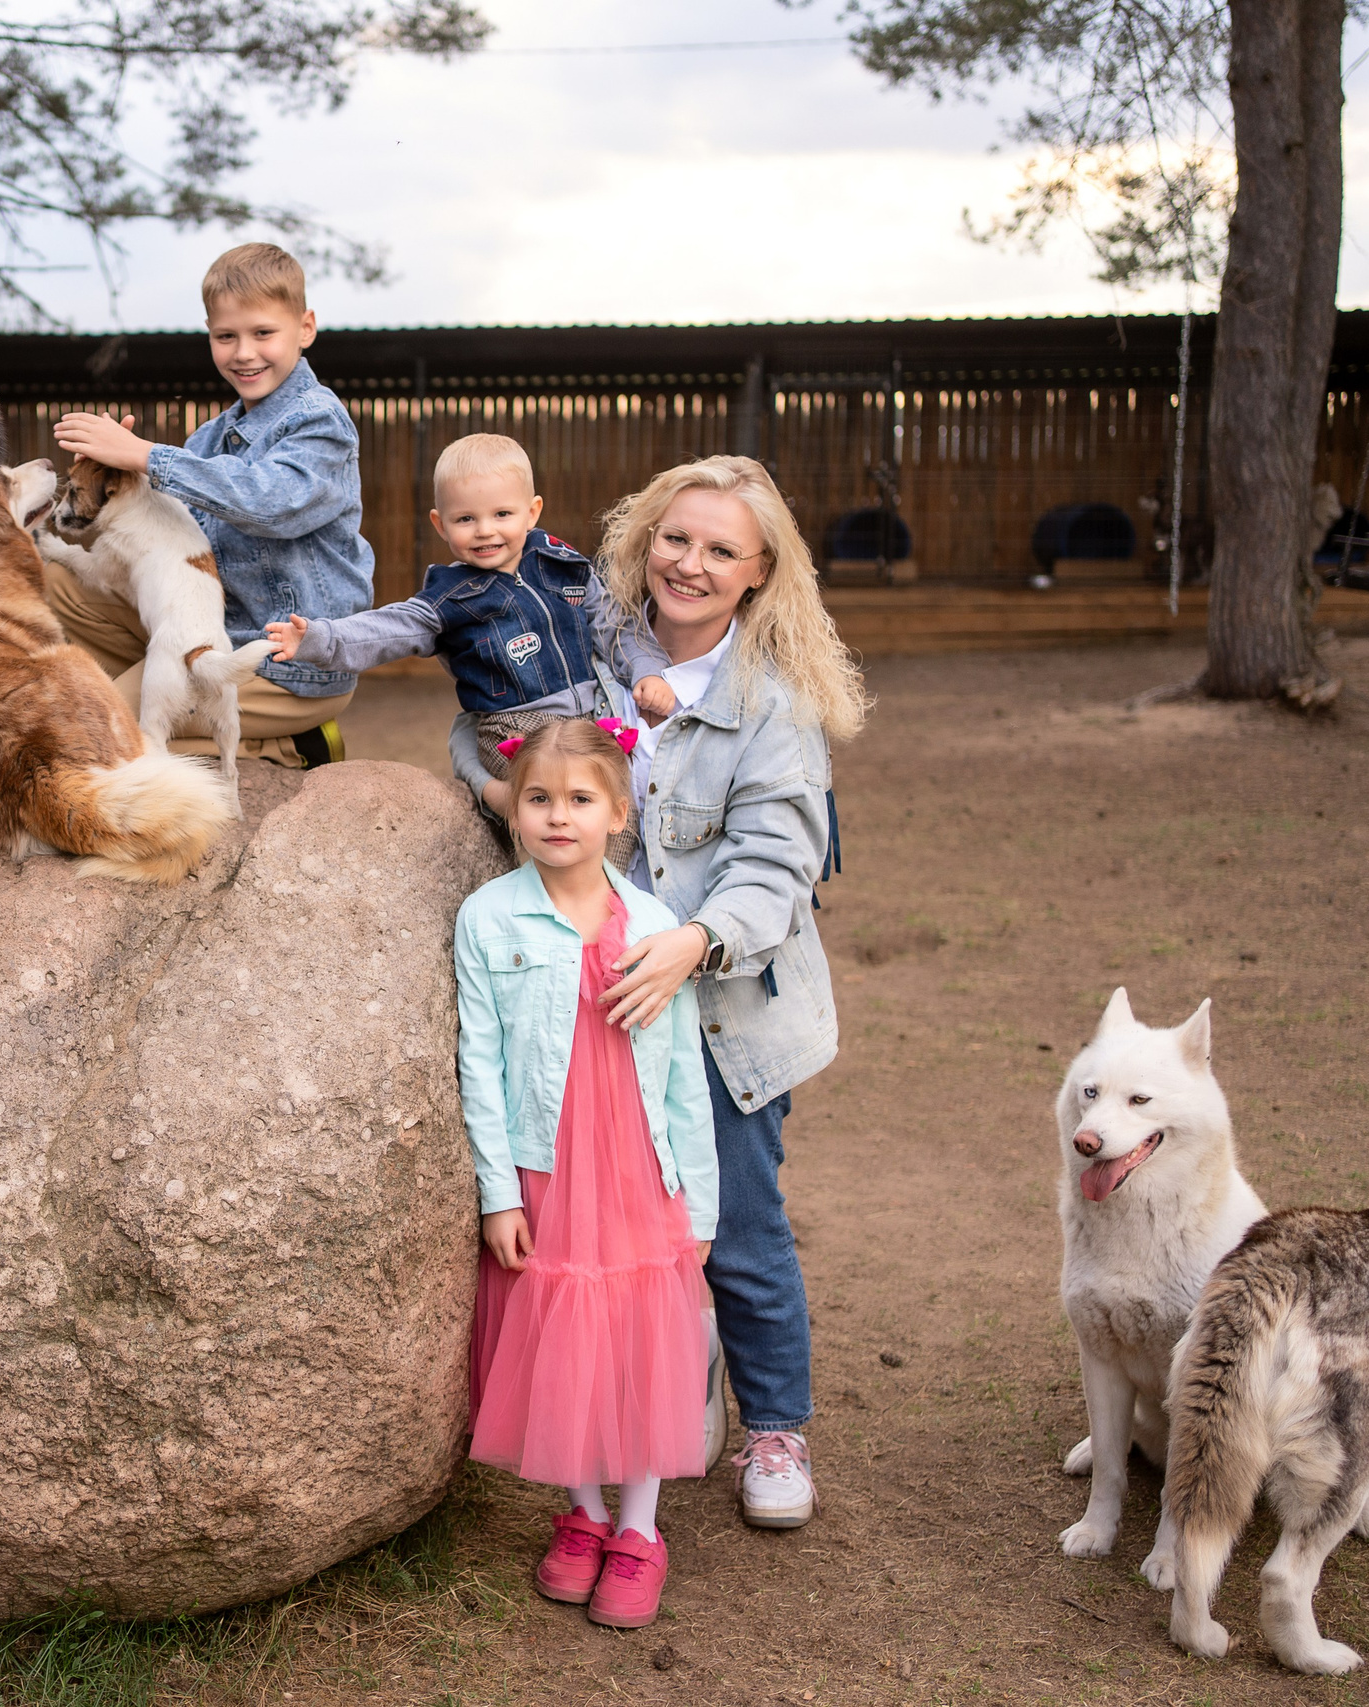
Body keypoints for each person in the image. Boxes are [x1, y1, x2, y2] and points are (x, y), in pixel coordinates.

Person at [451, 454, 869, 1531]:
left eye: (720, 549)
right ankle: (642, 1404)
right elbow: (481, 724)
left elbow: (774, 869)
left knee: (728, 1219)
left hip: (721, 1008)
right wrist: (514, 791)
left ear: (757, 572)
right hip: (583, 998)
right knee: (599, 1224)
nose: (690, 563)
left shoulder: (772, 707)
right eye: (675, 539)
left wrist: (690, 944)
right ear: (644, 542)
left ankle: (775, 1427)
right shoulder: (582, 652)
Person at [456, 716, 717, 1628]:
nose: (558, 816)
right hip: (550, 1163)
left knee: (641, 1336)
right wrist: (498, 1193)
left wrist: (702, 1201)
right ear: (514, 811)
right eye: (539, 799)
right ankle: (583, 1512)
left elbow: (685, 1070)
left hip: (642, 1165)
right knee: (561, 1332)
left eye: (579, 799)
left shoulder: (655, 924)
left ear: (618, 811)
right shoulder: (489, 918)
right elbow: (478, 1064)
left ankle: (641, 1529)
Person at [45, 242, 370, 769]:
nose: (244, 352)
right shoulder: (210, 438)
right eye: (226, 336)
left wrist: (148, 455)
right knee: (58, 583)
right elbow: (166, 532)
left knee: (107, 730)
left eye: (263, 333)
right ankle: (149, 689)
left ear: (305, 328)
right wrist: (123, 478)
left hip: (287, 664)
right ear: (210, 335)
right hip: (201, 631)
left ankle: (284, 742)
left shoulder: (319, 422)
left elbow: (272, 502)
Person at [261, 433, 675, 787]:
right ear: (440, 525)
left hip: (589, 716)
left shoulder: (562, 564)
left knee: (615, 805)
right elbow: (388, 629)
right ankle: (547, 874)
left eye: (502, 514)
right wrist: (320, 638)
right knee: (559, 788)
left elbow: (615, 626)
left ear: (532, 512)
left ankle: (613, 881)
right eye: (465, 519)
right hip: (513, 728)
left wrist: (648, 669)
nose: (485, 530)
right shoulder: (450, 598)